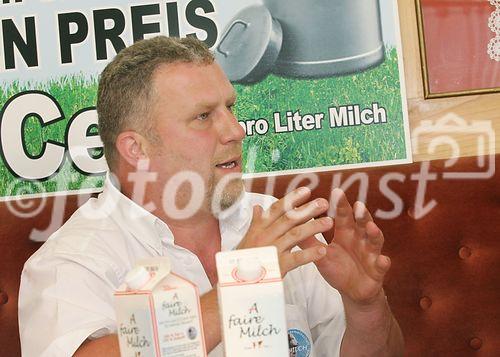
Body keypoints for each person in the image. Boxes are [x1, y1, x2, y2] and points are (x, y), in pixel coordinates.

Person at [19, 36, 404, 356]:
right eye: (204, 116)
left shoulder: (274, 222)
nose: (235, 130)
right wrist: (237, 288)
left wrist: (366, 306)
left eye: (230, 108)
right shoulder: (72, 261)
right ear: (136, 149)